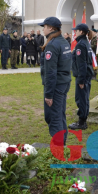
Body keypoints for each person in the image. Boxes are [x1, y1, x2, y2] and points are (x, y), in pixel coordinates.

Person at [39, 17, 72, 146]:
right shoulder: (63, 42)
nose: (43, 29)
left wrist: (48, 94)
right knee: (60, 113)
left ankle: (59, 148)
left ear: (51, 28)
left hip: (56, 85)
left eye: (45, 26)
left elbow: (51, 72)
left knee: (54, 117)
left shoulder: (52, 45)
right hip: (64, 83)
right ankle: (62, 144)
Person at [69, 24, 94, 130]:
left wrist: (81, 80)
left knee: (81, 99)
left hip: (82, 76)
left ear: (82, 32)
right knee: (85, 98)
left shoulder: (80, 45)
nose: (75, 32)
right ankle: (83, 119)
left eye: (77, 30)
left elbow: (82, 64)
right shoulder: (85, 43)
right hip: (86, 75)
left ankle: (82, 122)